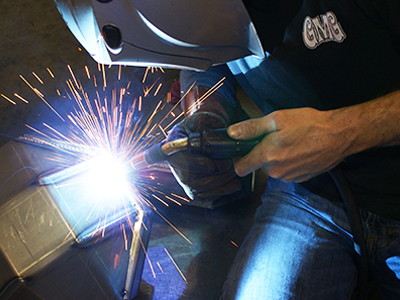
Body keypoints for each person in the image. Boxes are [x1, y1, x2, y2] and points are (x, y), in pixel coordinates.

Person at [54, 0, 400, 298]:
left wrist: (341, 133)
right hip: (305, 193)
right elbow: (205, 61)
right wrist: (205, 115)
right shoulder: (202, 15)